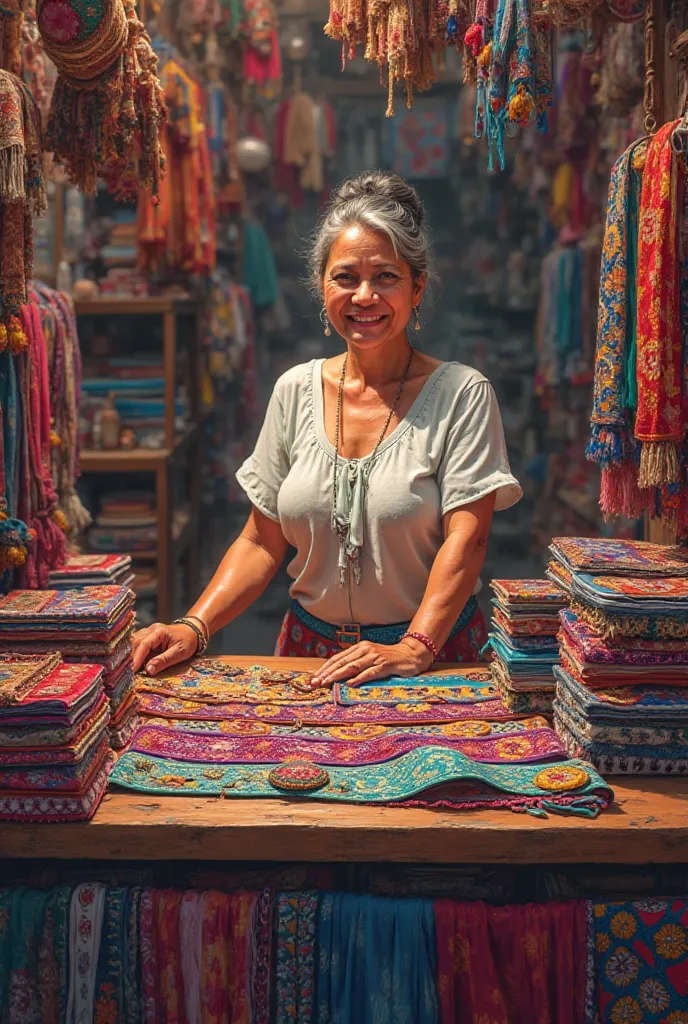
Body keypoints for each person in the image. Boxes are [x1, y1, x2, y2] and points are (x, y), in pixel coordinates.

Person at [132, 171, 522, 687]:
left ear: (417, 286)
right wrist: (193, 625)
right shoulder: (295, 390)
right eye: (345, 277)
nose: (364, 296)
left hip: (433, 659)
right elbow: (261, 541)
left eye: (385, 277)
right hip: (307, 658)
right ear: (322, 286)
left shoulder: (462, 394)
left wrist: (413, 648)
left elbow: (467, 540)